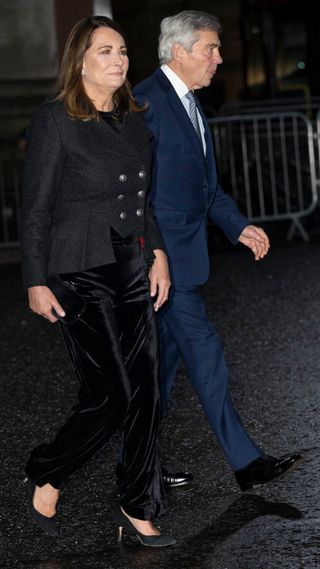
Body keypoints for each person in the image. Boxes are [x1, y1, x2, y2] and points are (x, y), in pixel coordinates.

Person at [20, 15, 176, 547]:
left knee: (148, 390)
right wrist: (35, 279)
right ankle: (46, 468)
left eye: (123, 51)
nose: (118, 59)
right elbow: (36, 208)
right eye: (105, 51)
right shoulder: (56, 120)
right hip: (76, 269)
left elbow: (141, 198)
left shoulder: (135, 118)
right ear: (80, 61)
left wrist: (157, 253)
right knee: (112, 393)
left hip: (131, 262)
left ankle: (138, 505)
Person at [133, 10, 303, 490]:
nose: (218, 59)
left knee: (159, 375)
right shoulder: (145, 102)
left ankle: (137, 467)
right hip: (160, 262)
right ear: (180, 51)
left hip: (182, 260)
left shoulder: (188, 103)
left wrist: (239, 226)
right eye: (210, 49)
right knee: (204, 352)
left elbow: (207, 187)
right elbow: (134, 195)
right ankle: (247, 463)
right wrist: (153, 253)